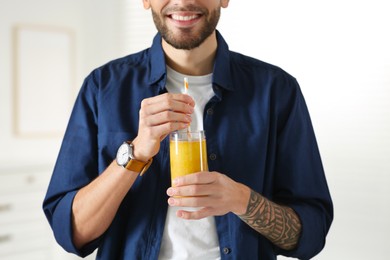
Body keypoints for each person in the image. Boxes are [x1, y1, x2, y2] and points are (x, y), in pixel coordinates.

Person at [43, 0, 333, 259]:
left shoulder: (277, 90)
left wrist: (242, 199)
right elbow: (72, 234)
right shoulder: (102, 87)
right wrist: (136, 153)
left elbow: (310, 235)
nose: (183, 2)